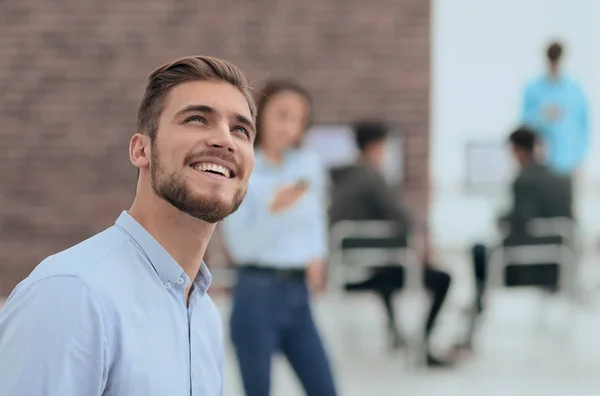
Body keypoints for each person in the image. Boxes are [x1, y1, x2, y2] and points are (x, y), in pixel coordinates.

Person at [0, 56, 257, 395]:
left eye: (240, 129)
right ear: (141, 150)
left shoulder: (203, 314)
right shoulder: (73, 293)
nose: (225, 140)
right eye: (197, 119)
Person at [221, 80, 337, 396]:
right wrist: (276, 210)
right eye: (282, 115)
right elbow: (241, 248)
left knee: (325, 389)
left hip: (299, 295)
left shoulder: (308, 164)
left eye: (299, 119)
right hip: (255, 295)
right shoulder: (241, 169)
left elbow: (315, 219)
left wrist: (318, 256)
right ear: (258, 115)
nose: (290, 127)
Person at [328, 120, 453, 367]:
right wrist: (423, 238)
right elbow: (403, 216)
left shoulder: (342, 179)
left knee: (388, 271)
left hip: (348, 266)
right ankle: (423, 348)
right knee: (443, 279)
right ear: (376, 147)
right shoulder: (371, 178)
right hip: (369, 266)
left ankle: (397, 335)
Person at [469, 127, 573, 345]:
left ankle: (478, 307)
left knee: (479, 250)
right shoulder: (562, 179)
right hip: (560, 265)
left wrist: (502, 221)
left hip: (525, 268)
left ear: (516, 151)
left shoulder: (523, 181)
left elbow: (520, 225)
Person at [522, 41, 589, 176]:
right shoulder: (533, 89)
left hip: (569, 163)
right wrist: (542, 115)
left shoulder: (575, 90)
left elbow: (584, 127)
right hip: (540, 164)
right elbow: (524, 124)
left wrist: (581, 158)